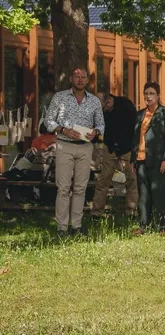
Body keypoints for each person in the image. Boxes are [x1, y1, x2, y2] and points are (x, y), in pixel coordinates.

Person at [43, 68, 105, 237]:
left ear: (87, 80)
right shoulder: (60, 97)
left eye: (83, 77)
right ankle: (62, 228)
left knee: (80, 188)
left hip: (86, 147)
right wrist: (63, 129)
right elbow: (48, 120)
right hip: (65, 145)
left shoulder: (94, 101)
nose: (80, 79)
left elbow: (101, 124)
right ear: (71, 78)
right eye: (77, 76)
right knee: (63, 188)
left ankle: (76, 227)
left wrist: (96, 132)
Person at [130, 81, 165, 234]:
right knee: (144, 195)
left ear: (158, 96)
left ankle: (162, 226)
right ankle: (144, 226)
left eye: (151, 93)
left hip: (158, 160)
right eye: (146, 94)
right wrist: (133, 159)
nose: (148, 97)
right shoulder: (140, 114)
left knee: (160, 193)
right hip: (141, 160)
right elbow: (135, 138)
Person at [92, 93, 138, 218]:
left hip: (127, 146)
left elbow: (136, 126)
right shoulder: (100, 111)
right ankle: (97, 212)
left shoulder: (126, 105)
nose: (104, 110)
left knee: (132, 178)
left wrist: (135, 148)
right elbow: (96, 128)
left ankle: (131, 211)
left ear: (110, 100)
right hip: (110, 146)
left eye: (105, 107)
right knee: (103, 179)